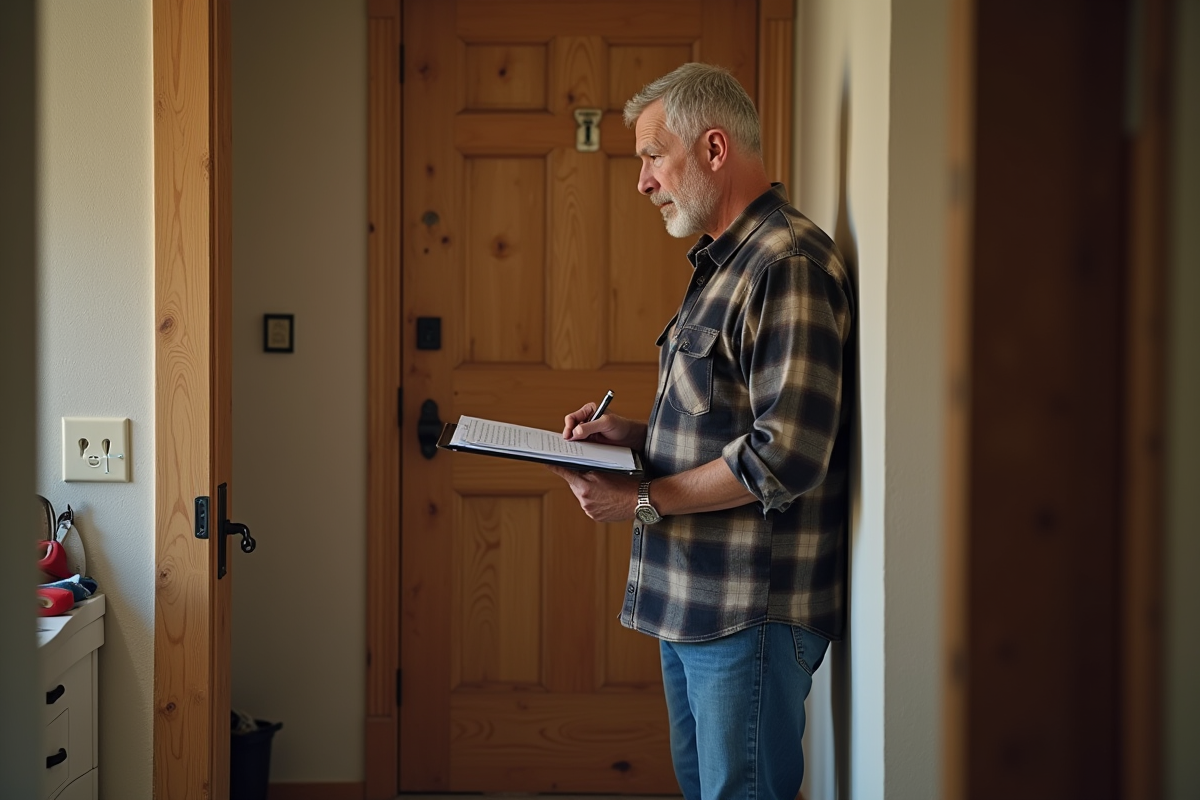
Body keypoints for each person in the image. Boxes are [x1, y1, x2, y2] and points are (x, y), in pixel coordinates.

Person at [546, 63, 853, 800]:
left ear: (714, 149)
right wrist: (630, 435)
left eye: (654, 157)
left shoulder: (786, 263)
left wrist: (638, 501)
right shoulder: (727, 262)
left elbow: (786, 454)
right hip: (695, 602)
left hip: (748, 610)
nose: (646, 181)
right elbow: (721, 416)